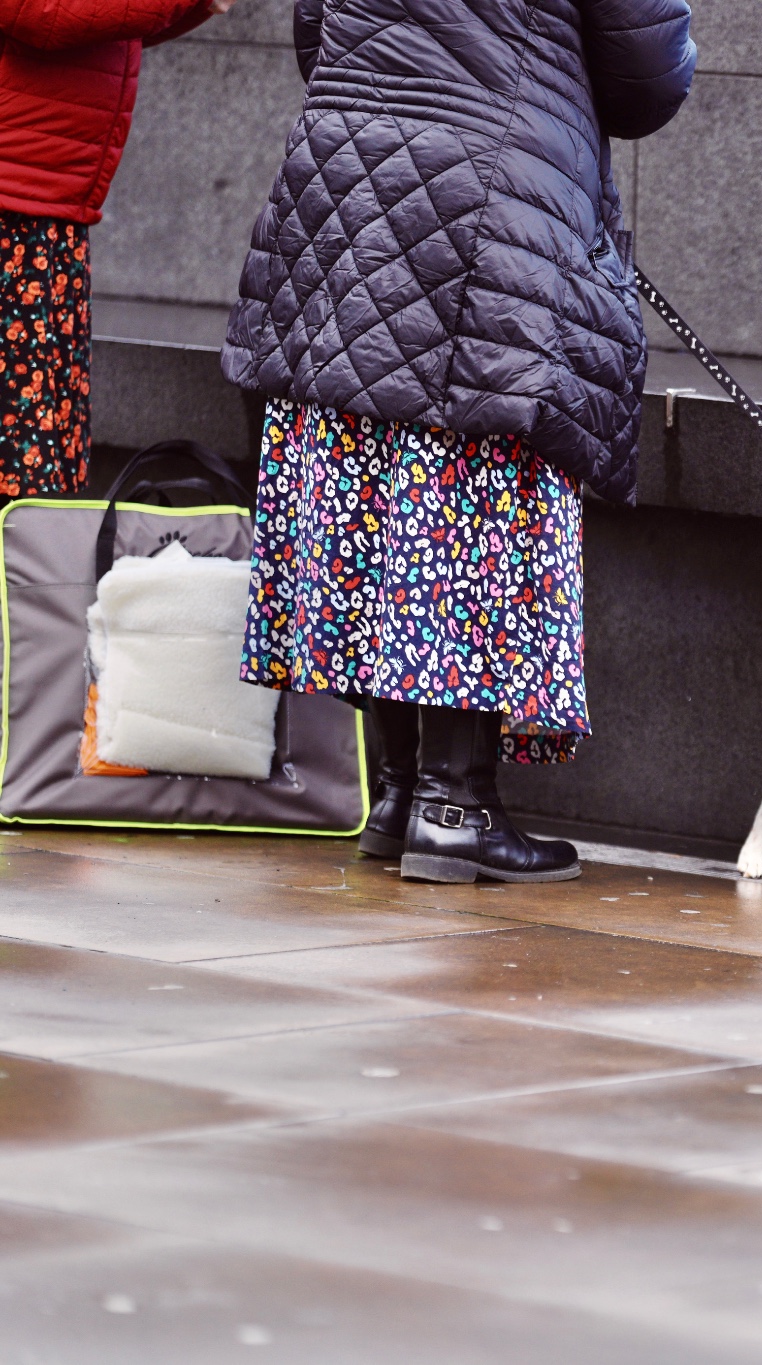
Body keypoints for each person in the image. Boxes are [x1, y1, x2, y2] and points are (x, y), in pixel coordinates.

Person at [222, 0, 696, 883]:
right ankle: (456, 806)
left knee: (374, 493)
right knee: (470, 503)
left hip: (350, 183)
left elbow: (314, 30)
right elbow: (647, 76)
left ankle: (401, 794)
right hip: (495, 193)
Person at [0, 0, 234, 498]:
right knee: (22, 447)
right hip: (16, 207)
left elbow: (104, 23)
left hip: (43, 204)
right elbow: (42, 13)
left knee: (36, 445)